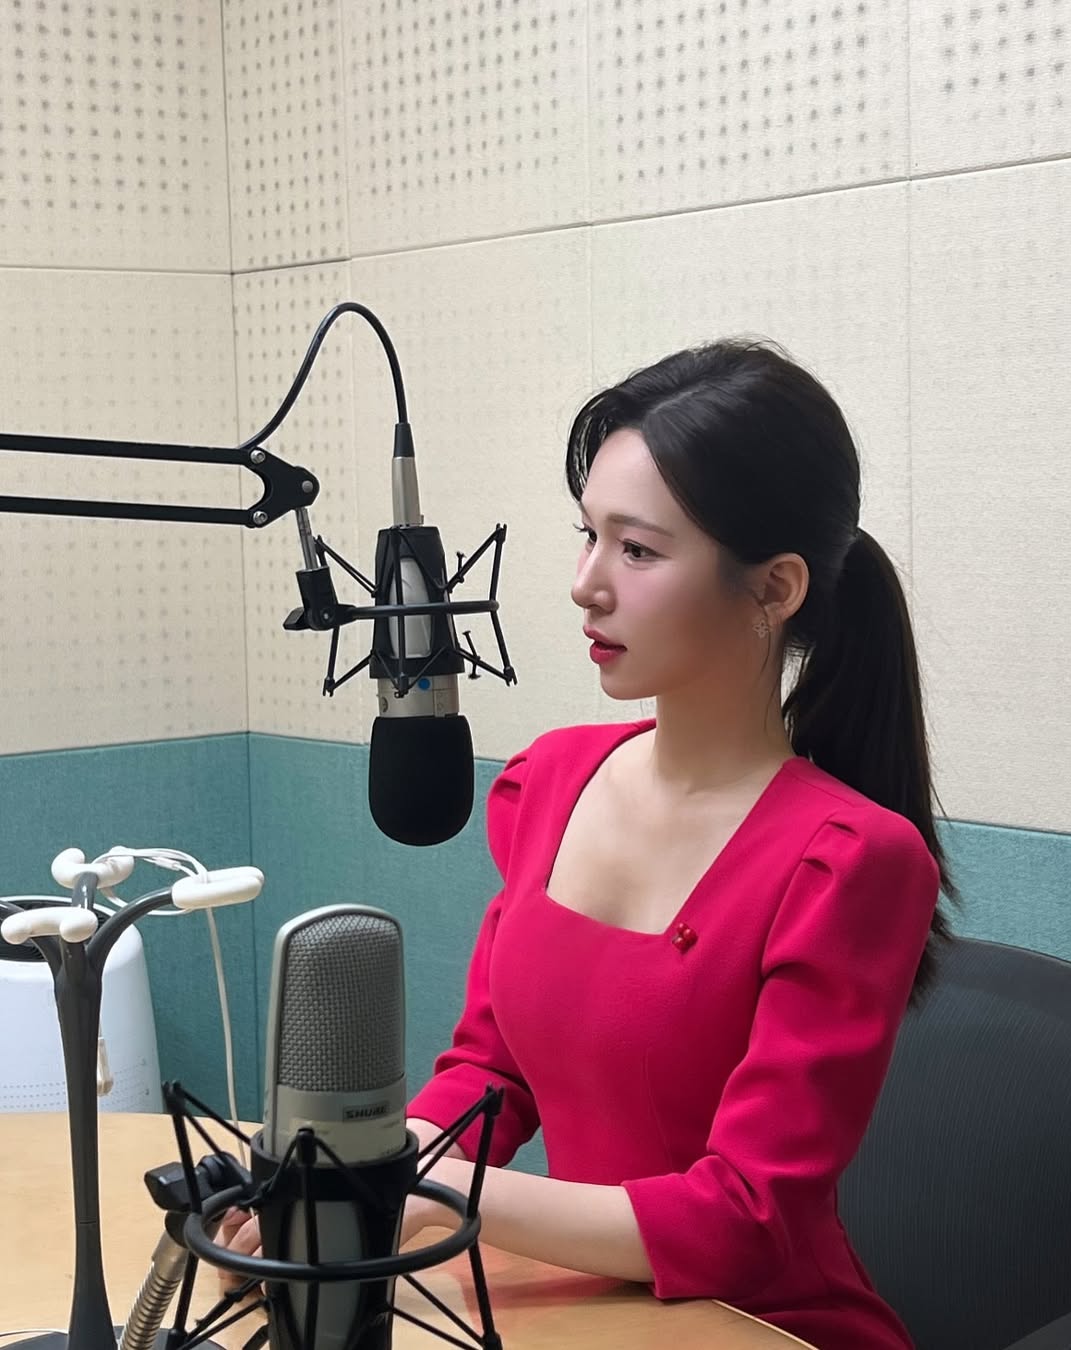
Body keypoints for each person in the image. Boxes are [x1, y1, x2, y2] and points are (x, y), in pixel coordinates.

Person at [225, 338, 956, 1350]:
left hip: (761, 1326)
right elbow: (495, 1071)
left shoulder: (849, 860)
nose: (585, 585)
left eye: (638, 551)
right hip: (585, 1309)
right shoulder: (549, 783)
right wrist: (347, 1184)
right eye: (588, 536)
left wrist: (415, 1183)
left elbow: (745, 1221)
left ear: (775, 588)